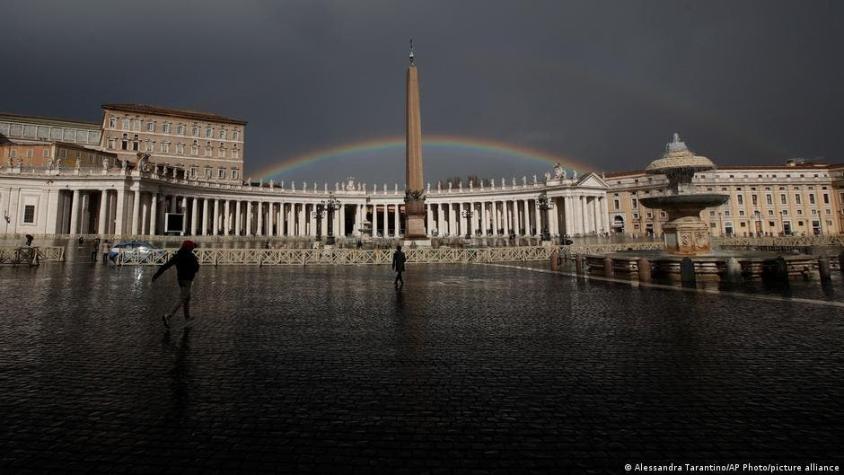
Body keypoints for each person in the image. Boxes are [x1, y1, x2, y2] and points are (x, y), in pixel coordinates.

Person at [152, 240, 200, 329]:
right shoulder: (190, 256)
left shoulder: (178, 255)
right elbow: (196, 268)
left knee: (187, 297)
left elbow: (166, 265)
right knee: (182, 298)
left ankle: (187, 317)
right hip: (187, 279)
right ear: (189, 248)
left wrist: (156, 275)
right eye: (192, 248)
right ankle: (168, 316)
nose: (192, 249)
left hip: (180, 279)